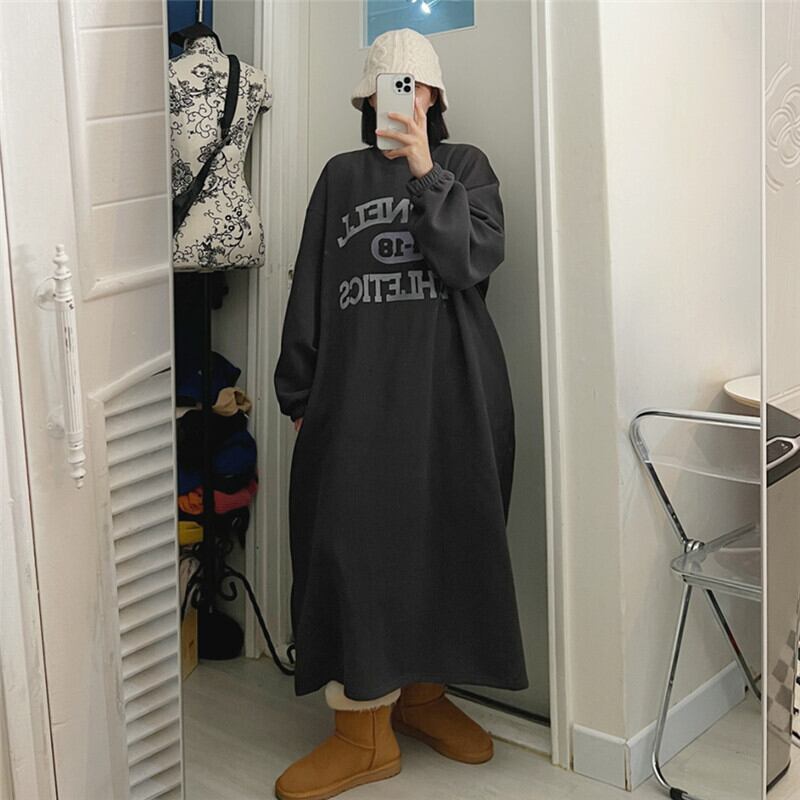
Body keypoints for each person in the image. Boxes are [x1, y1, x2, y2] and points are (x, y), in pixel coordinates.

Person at [273, 27, 528, 800]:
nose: (403, 101)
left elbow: (466, 262)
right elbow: (312, 285)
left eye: (416, 89)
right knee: (351, 544)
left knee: (447, 539)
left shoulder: (465, 167)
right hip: (356, 399)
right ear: (367, 99)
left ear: (437, 98)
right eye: (390, 89)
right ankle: (362, 732)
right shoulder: (339, 177)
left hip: (454, 398)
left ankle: (422, 697)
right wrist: (299, 391)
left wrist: (424, 167)